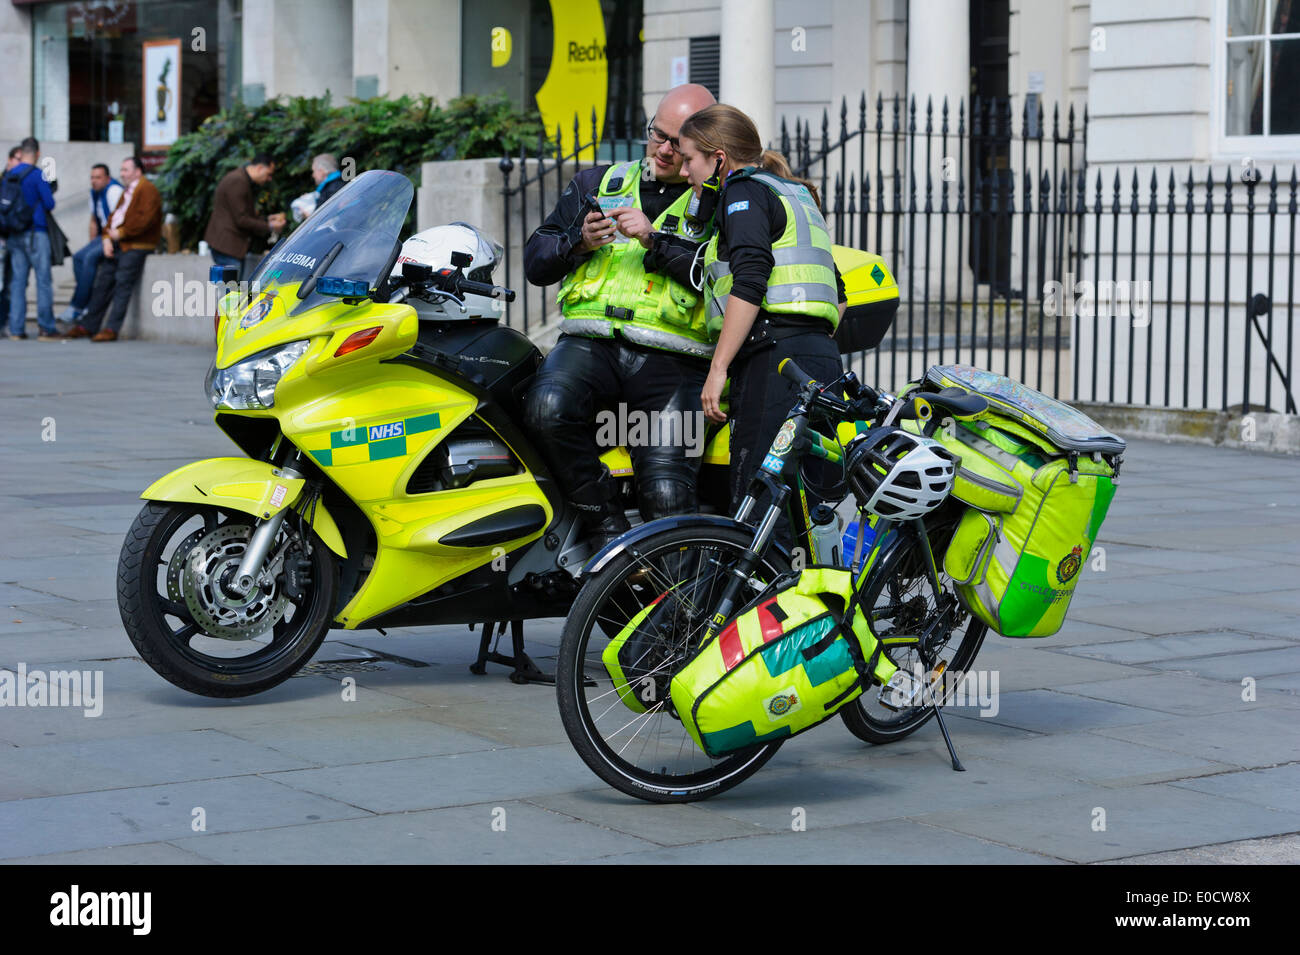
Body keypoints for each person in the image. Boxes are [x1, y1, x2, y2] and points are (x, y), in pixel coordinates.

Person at [522, 83, 718, 548]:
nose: (665, 151)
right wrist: (578, 242)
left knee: (668, 491)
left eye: (679, 143)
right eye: (658, 135)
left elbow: (725, 281)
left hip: (675, 360)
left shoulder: (718, 201)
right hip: (590, 345)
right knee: (546, 408)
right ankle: (608, 531)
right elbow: (535, 262)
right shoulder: (597, 183)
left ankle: (679, 615)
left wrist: (656, 241)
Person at [676, 104, 848, 541]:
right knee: (802, 507)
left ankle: (759, 608)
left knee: (757, 509)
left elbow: (750, 282)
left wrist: (717, 370)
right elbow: (839, 295)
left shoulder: (744, 192)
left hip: (774, 360)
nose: (684, 171)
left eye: (689, 158)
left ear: (718, 158)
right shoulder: (794, 194)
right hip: (818, 359)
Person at [66, 156, 161, 342]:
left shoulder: (147, 189)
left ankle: (111, 329)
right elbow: (114, 216)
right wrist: (108, 237)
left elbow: (145, 220)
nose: (122, 174)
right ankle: (88, 325)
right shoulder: (129, 191)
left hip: (136, 244)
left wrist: (121, 233)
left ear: (138, 171)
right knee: (103, 282)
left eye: (126, 170)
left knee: (122, 283)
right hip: (121, 242)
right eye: (122, 170)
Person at [3, 137, 60, 341]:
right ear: (37, 153)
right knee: (43, 280)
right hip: (36, 233)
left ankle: (16, 329)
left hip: (14, 234)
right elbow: (49, 202)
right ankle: (46, 328)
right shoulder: (36, 175)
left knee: (18, 282)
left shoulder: (10, 174)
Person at [58, 163, 124, 326]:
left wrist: (103, 244)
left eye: (98, 177)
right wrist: (92, 243)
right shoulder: (94, 194)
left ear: (107, 178)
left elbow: (119, 222)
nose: (94, 181)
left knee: (89, 258)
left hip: (115, 237)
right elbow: (94, 221)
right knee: (79, 257)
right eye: (92, 177)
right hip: (102, 236)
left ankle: (78, 306)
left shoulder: (114, 191)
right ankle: (85, 301)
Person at [202, 153, 286, 281]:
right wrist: (270, 226)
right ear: (259, 168)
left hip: (229, 246)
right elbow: (241, 219)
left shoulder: (241, 179)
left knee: (232, 293)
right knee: (231, 295)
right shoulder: (238, 181)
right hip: (228, 246)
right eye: (269, 174)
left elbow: (243, 214)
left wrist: (268, 220)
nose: (269, 179)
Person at [0, 146, 20, 333]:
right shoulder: (4, 179)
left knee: (11, 283)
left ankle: (6, 322)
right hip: (4, 236)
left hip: (18, 235)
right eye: (17, 159)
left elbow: (51, 187)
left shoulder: (29, 176)